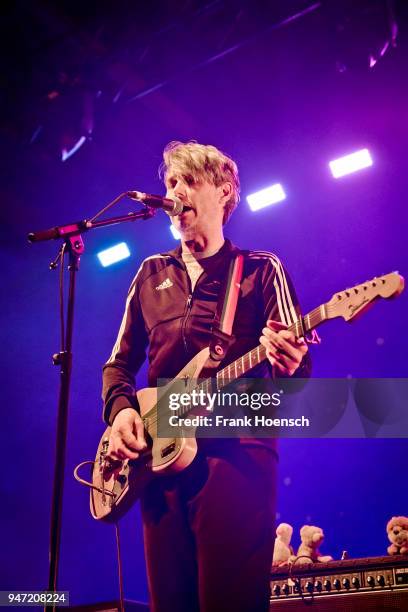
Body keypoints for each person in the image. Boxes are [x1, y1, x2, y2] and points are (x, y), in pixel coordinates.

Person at [102, 141, 310, 612]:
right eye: (171, 182)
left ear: (224, 191)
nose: (175, 191)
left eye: (189, 180)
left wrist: (290, 362)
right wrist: (120, 415)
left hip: (236, 455)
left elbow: (298, 377)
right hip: (159, 461)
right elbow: (118, 365)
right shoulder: (150, 273)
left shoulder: (260, 269)